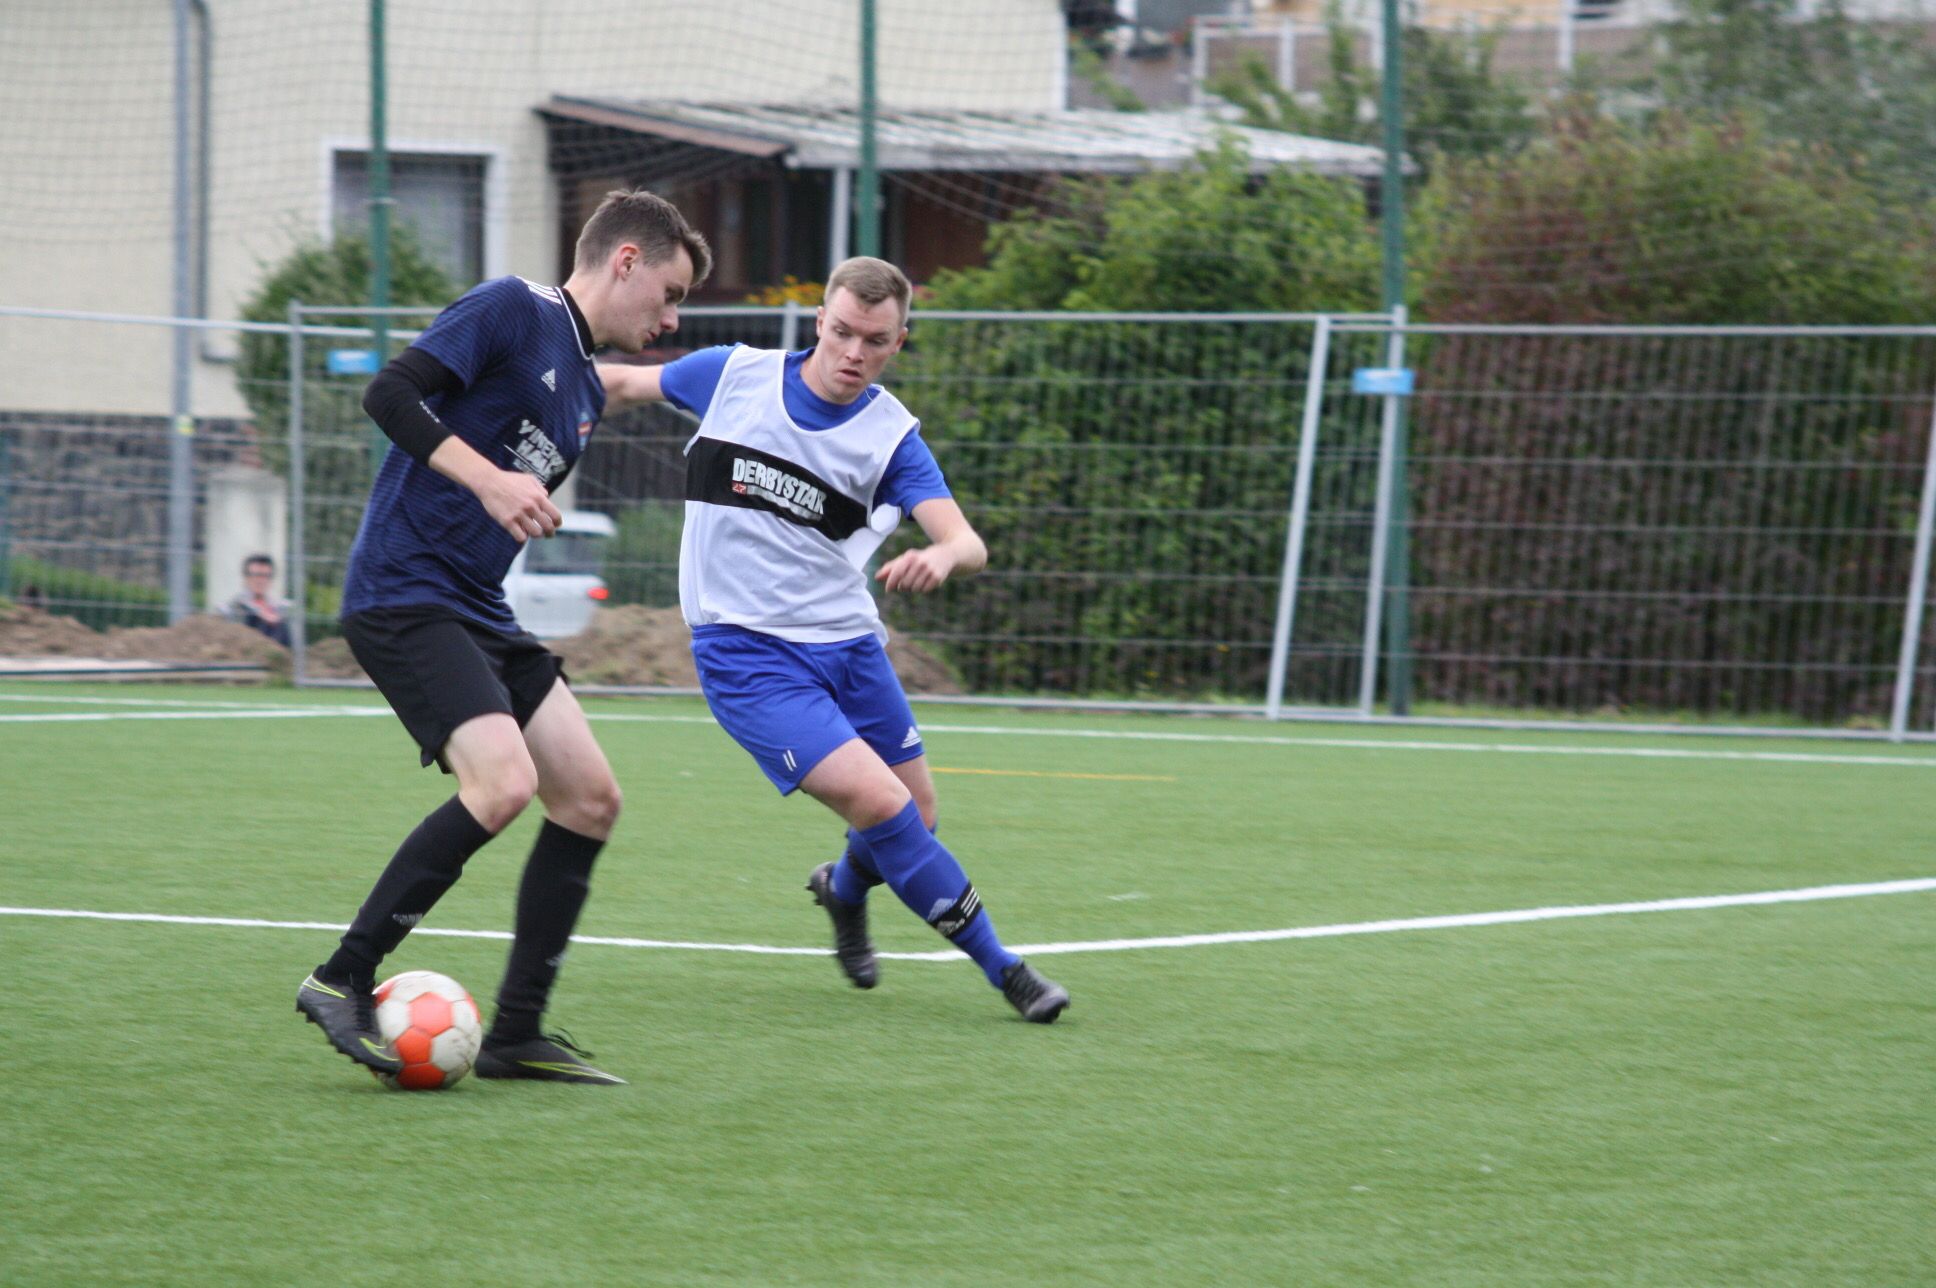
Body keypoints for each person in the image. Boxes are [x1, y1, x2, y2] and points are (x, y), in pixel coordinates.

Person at [294, 189, 712, 1084]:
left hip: (476, 605)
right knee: (504, 785)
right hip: (403, 591)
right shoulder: (511, 308)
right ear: (625, 261)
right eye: (668, 294)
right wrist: (488, 480)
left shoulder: (588, 392)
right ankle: (341, 977)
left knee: (591, 799)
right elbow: (390, 391)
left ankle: (517, 1033)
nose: (670, 318)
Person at [598, 256, 1070, 1023]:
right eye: (842, 332)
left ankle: (842, 891)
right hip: (748, 655)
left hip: (848, 645)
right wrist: (539, 396)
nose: (853, 353)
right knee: (884, 806)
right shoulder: (733, 377)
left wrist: (942, 555)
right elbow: (621, 383)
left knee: (916, 813)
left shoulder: (890, 438)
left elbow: (967, 541)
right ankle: (1006, 970)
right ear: (819, 320)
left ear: (898, 342)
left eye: (874, 341)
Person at [223, 553, 292, 646]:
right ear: (246, 578)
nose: (260, 580)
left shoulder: (280, 607)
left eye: (265, 576)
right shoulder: (233, 607)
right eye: (256, 575)